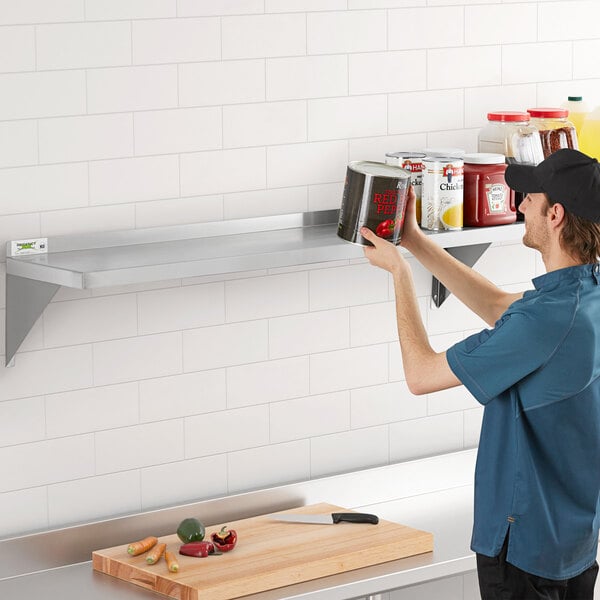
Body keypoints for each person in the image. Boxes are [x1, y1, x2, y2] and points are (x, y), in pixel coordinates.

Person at [361, 148, 600, 600]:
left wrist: (398, 274)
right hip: (574, 545)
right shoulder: (584, 296)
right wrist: (413, 242)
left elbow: (420, 374)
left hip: (523, 552)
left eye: (531, 196)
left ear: (556, 215)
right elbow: (497, 306)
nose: (521, 204)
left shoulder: (545, 321)